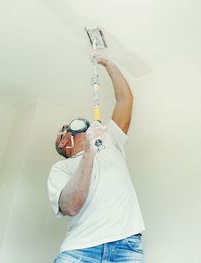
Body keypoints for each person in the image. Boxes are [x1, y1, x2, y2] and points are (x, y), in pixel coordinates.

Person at [47, 52, 145, 262]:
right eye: (65, 128)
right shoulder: (61, 169)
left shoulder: (111, 139)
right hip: (80, 249)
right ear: (65, 142)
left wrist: (107, 62)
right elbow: (71, 206)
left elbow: (125, 99)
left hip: (126, 247)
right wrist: (89, 152)